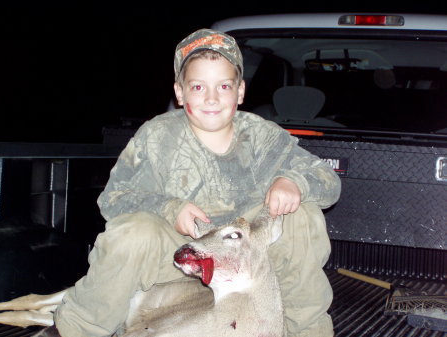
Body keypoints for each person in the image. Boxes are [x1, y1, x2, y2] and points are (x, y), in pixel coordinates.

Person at [37, 28, 341, 337]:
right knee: (131, 232)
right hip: (178, 255)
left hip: (246, 263)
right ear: (180, 93)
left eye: (224, 86)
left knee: (303, 216)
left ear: (240, 92)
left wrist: (294, 182)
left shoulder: (262, 136)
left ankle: (307, 331)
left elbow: (327, 179)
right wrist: (169, 207)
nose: (212, 97)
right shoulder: (157, 136)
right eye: (198, 87)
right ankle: (77, 328)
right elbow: (113, 199)